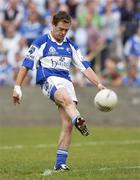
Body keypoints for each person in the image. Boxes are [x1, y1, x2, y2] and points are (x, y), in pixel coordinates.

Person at [12, 11, 105, 172]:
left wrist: (99, 84)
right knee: (66, 100)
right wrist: (17, 87)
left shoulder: (71, 46)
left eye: (66, 30)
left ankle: (60, 163)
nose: (63, 33)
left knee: (67, 124)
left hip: (66, 82)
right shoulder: (41, 42)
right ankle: (78, 119)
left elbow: (85, 67)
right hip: (48, 79)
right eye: (60, 29)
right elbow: (26, 65)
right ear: (53, 25)